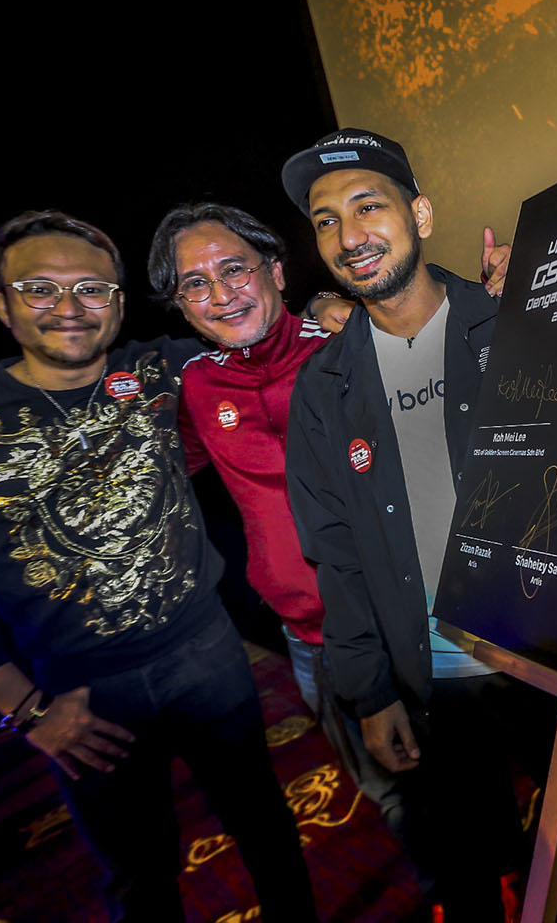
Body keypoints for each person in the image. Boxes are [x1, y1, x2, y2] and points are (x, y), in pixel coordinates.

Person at [0, 210, 317, 922]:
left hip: (208, 654)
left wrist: (332, 308)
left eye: (92, 288)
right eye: (39, 289)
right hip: (80, 694)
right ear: (2, 305)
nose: (68, 308)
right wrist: (27, 711)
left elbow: (261, 330)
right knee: (139, 874)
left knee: (266, 827)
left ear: (118, 302)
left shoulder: (162, 367)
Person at [146, 201, 508, 839]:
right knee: (392, 790)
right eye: (194, 284)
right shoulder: (196, 387)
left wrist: (515, 301)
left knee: (480, 773)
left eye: (236, 270)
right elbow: (162, 468)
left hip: (413, 617)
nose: (222, 295)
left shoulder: (353, 346)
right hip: (308, 636)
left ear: (277, 272)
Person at [282, 129, 550, 921]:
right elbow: (335, 555)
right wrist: (366, 692)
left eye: (369, 205)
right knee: (469, 865)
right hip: (430, 678)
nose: (349, 233)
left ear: (420, 214)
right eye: (326, 220)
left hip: (552, 662)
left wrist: (549, 290)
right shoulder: (323, 389)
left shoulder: (519, 323)